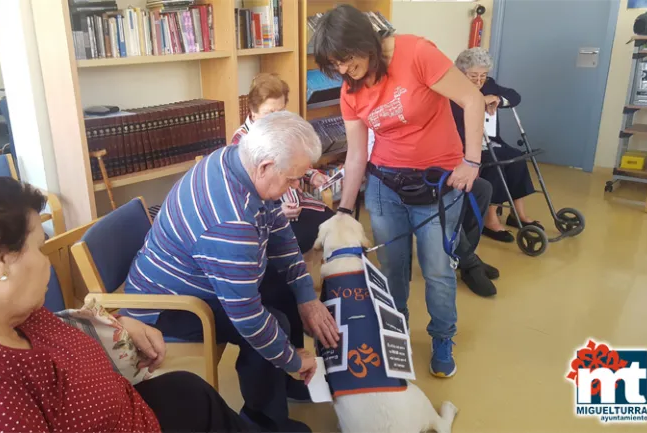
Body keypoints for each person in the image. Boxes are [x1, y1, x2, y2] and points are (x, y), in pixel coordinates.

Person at [0, 173, 253, 433]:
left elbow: (54, 329)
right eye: (38, 247)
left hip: (132, 407)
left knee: (191, 393)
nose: (46, 261)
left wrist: (119, 327)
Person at [125, 111, 339, 432]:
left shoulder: (234, 157)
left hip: (194, 275)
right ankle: (264, 422)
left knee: (285, 287)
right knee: (272, 323)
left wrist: (307, 298)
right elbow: (249, 320)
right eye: (293, 178)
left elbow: (279, 231)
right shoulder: (230, 225)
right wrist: (293, 358)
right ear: (265, 166)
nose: (297, 186)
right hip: (166, 307)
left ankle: (287, 380)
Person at [313, 5, 486, 378]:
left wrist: (471, 162)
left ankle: (442, 336)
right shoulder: (350, 91)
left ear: (363, 41)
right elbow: (357, 154)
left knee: (437, 269)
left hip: (438, 183)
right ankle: (397, 332)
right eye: (334, 64)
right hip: (385, 184)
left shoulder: (416, 53)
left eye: (344, 59)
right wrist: (344, 210)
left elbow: (471, 98)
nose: (343, 70)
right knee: (392, 270)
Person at [232, 72, 334, 254]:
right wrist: (275, 213)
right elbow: (242, 195)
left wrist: (313, 175)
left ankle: (335, 280)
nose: (276, 120)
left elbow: (298, 161)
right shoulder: (241, 142)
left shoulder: (284, 129)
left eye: (281, 112)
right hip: (268, 218)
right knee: (291, 248)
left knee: (338, 228)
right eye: (269, 113)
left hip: (300, 205)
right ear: (253, 112)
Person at [452, 47, 542, 243]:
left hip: (491, 141)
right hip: (465, 145)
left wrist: (499, 99)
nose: (479, 80)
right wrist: (477, 102)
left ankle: (518, 214)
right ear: (461, 73)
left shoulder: (489, 85)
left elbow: (515, 96)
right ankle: (490, 219)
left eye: (483, 75)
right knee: (495, 162)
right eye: (473, 75)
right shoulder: (453, 89)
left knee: (516, 157)